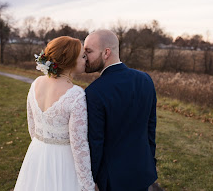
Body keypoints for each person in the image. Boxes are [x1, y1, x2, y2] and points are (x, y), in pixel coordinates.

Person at [14, 36, 95, 191]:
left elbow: (32, 126)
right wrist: (87, 184)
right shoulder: (76, 95)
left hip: (37, 153)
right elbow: (79, 145)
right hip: (63, 162)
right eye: (82, 56)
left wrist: (43, 149)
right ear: (70, 61)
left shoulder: (36, 83)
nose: (86, 60)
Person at [84, 30, 158, 191]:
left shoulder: (94, 92)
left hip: (112, 179)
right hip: (142, 172)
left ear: (106, 53)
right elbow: (150, 129)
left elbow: (95, 142)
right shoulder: (145, 79)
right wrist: (150, 162)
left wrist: (93, 179)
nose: (85, 57)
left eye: (88, 51)